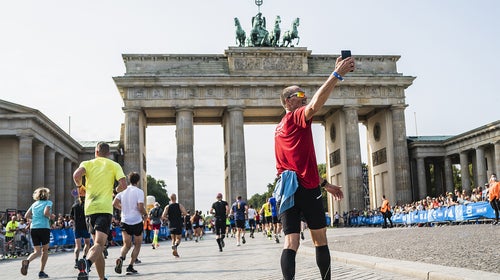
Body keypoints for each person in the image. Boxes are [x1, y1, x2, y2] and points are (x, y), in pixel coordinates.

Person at [273, 55, 353, 280]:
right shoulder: (295, 117)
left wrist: (326, 184)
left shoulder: (279, 128)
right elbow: (315, 105)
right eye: (299, 95)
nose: (304, 97)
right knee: (320, 238)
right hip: (306, 189)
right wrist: (336, 75)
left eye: (304, 94)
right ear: (289, 101)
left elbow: (298, 164)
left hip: (286, 190)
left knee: (291, 241)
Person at [73, 142, 127, 280]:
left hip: (90, 209)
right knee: (99, 245)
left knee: (98, 247)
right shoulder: (114, 165)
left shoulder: (88, 163)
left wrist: (80, 186)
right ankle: (86, 263)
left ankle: (102, 278)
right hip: (104, 208)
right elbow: (123, 185)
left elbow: (76, 175)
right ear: (108, 154)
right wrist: (116, 190)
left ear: (96, 152)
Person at [112, 172, 146, 275]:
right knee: (138, 244)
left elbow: (114, 203)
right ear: (138, 181)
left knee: (126, 244)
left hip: (125, 220)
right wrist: (146, 214)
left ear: (129, 180)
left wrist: (123, 208)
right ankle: (130, 266)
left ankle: (121, 258)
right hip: (136, 221)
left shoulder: (123, 191)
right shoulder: (139, 192)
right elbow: (140, 207)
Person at [21, 187, 53, 278]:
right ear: (46, 195)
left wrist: (34, 219)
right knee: (45, 250)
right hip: (44, 227)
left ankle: (27, 261)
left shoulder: (34, 204)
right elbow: (46, 212)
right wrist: (51, 216)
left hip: (34, 228)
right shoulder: (48, 202)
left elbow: (26, 215)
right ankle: (41, 271)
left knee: (36, 251)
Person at [70, 187, 91, 269]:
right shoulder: (88, 204)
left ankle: (76, 261)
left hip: (77, 227)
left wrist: (73, 222)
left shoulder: (74, 205)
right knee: (87, 243)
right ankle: (85, 257)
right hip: (86, 227)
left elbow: (71, 217)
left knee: (77, 246)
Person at [162, 193, 187, 257]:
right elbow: (185, 213)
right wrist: (180, 215)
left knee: (173, 239)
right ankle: (175, 246)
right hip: (178, 224)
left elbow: (163, 216)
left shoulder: (167, 207)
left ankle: (175, 251)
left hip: (171, 224)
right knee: (178, 239)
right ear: (176, 198)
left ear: (170, 199)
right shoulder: (179, 205)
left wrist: (168, 219)